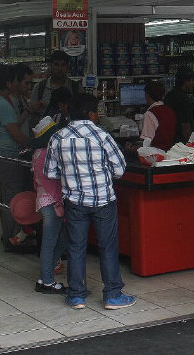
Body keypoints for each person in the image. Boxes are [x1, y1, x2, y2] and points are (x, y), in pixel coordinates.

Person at [43, 93, 135, 310]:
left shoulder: (58, 137)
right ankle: (112, 295)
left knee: (76, 247)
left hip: (74, 201)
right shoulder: (102, 136)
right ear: (91, 113)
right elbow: (120, 169)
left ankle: (76, 296)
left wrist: (71, 174)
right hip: (103, 200)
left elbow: (50, 172)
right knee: (108, 247)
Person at [0, 63, 33, 250]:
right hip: (7, 155)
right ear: (9, 83)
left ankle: (9, 234)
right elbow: (16, 134)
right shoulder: (3, 105)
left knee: (5, 197)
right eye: (15, 80)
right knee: (13, 198)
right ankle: (14, 239)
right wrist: (35, 143)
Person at [31, 116, 68, 294]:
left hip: (44, 200)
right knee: (51, 242)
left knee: (58, 240)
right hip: (52, 202)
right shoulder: (47, 153)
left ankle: (44, 277)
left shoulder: (38, 153)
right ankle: (47, 281)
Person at [33, 50, 82, 119]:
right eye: (56, 64)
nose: (60, 68)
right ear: (51, 65)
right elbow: (32, 113)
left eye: (63, 65)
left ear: (67, 66)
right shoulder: (39, 88)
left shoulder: (76, 88)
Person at [139, 80, 176, 149]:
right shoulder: (169, 111)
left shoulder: (149, 114)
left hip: (154, 152)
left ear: (147, 95)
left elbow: (146, 144)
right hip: (169, 151)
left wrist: (131, 148)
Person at [163, 71, 194, 143]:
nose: (193, 83)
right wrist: (190, 143)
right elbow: (185, 124)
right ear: (185, 82)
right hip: (181, 138)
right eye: (192, 80)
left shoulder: (169, 95)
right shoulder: (183, 98)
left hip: (170, 136)